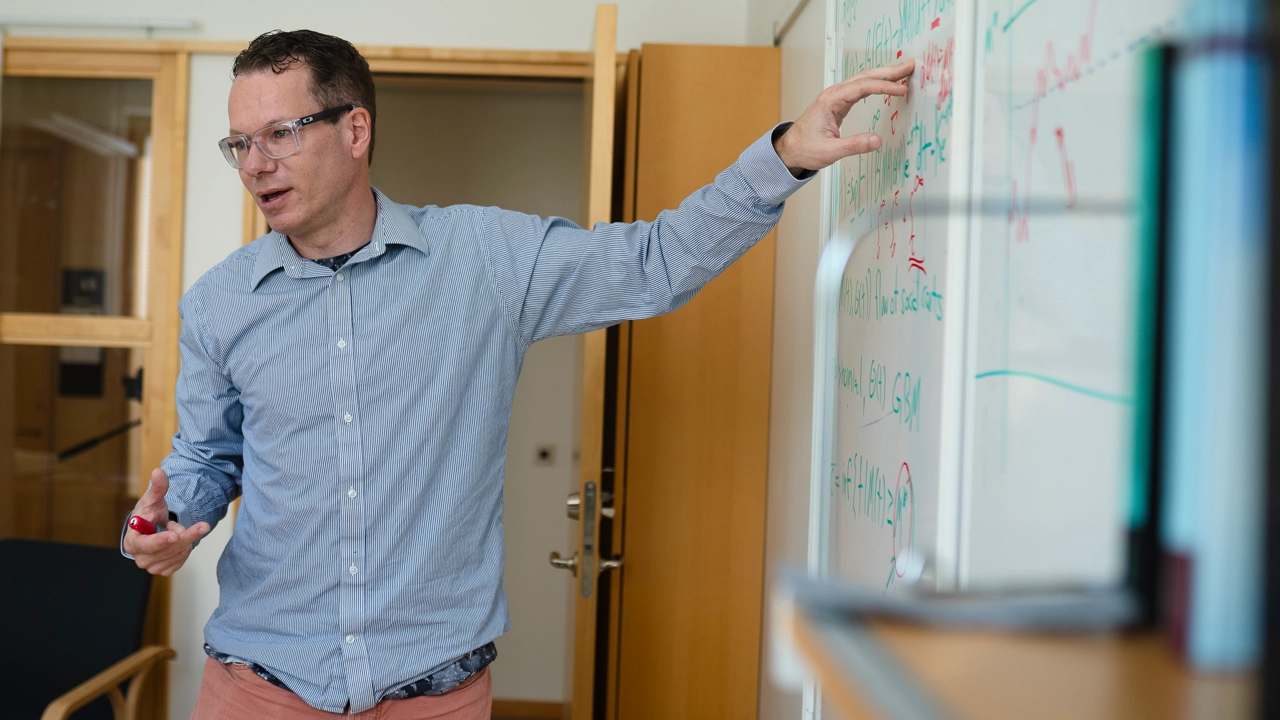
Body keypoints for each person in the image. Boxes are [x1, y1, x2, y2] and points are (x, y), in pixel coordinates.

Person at [121, 28, 914, 719]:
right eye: (241, 144)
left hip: (435, 690)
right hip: (262, 688)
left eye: (282, 133)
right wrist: (162, 527)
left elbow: (654, 263)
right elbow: (207, 457)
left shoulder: (484, 260)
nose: (256, 164)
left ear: (355, 128)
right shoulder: (221, 303)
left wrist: (784, 158)